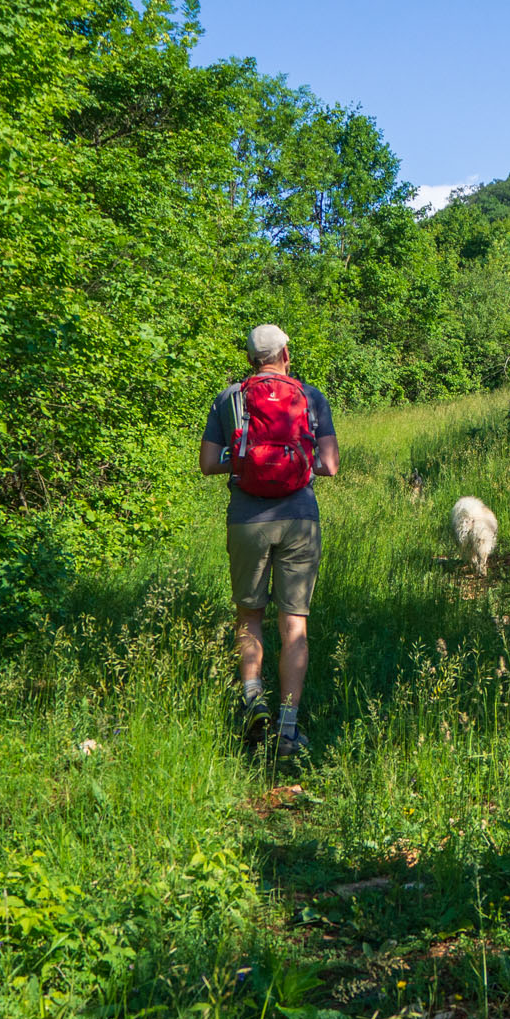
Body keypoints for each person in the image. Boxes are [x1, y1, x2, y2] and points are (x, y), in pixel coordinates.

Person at [200, 324, 339, 757]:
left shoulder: (229, 399)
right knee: (293, 624)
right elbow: (330, 465)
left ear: (249, 360)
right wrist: (294, 459)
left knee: (249, 617)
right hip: (299, 518)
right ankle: (288, 729)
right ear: (285, 353)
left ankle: (253, 702)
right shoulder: (310, 396)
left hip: (247, 521)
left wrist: (245, 459)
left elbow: (207, 463)